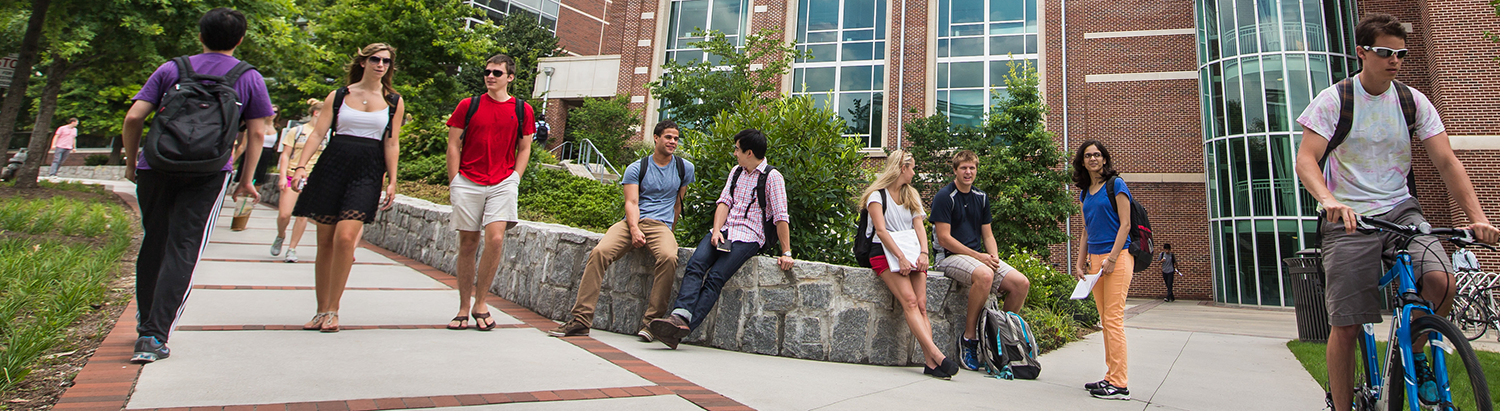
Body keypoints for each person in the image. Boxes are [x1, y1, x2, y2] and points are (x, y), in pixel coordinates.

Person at [1292, 14, 1498, 411]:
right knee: (1348, 321)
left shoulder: (1412, 101)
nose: (1395, 60)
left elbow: (1447, 162)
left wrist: (1479, 217)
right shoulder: (1336, 99)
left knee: (1441, 280)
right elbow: (1306, 160)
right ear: (1362, 52)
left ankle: (1417, 355)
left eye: (1400, 53)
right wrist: (1329, 200)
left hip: (1401, 209)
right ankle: (1342, 405)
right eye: (1386, 52)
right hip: (1347, 215)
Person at [120, 8, 273, 363]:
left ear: (199, 36)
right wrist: (245, 180)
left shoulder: (172, 69)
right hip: (208, 171)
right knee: (184, 246)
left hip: (155, 166)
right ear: (240, 39)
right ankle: (154, 336)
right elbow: (257, 132)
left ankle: (147, 320)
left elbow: (134, 117)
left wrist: (131, 162)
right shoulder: (248, 77)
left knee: (154, 241)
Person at [288, 43, 407, 333]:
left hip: (367, 170)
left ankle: (334, 309)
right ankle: (320, 310)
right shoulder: (339, 96)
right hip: (333, 166)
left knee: (345, 238)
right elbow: (318, 133)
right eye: (376, 60)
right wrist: (301, 166)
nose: (381, 65)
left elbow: (392, 142)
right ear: (364, 62)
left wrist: (392, 180)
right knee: (324, 243)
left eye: (386, 62)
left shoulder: (393, 101)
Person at [647, 128, 794, 349]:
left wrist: (786, 252)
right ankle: (679, 316)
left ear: (749, 152)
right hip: (724, 232)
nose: (735, 153)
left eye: (737, 149)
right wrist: (716, 230)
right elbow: (724, 202)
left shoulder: (773, 177)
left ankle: (682, 328)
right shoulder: (737, 172)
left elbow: (781, 217)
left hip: (749, 237)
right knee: (696, 264)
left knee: (715, 277)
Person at [549, 120, 695, 340]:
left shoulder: (685, 168)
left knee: (668, 257)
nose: (673, 142)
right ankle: (580, 320)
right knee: (599, 253)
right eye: (668, 137)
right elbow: (632, 203)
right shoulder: (637, 167)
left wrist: (669, 233)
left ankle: (650, 324)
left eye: (675, 138)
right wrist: (635, 229)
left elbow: (677, 204)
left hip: (660, 226)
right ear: (656, 138)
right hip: (631, 222)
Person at [442, 53, 535, 331]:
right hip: (468, 180)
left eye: (497, 72)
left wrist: (515, 178)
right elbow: (453, 145)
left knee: (495, 239)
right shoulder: (467, 106)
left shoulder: (522, 110)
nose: (490, 76)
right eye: (487, 72)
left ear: (510, 77)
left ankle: (481, 303)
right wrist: (454, 180)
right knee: (468, 243)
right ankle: (462, 306)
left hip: (502, 182)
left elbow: (525, 147)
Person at [929, 150, 1030, 372]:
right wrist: (979, 257)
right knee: (985, 275)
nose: (968, 172)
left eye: (972, 168)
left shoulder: (981, 197)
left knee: (1020, 283)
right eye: (963, 168)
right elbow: (944, 239)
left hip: (978, 258)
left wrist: (993, 256)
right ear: (955, 170)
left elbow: (988, 235)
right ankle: (969, 339)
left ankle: (1001, 338)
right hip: (949, 258)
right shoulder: (945, 196)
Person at [863, 150, 957, 379]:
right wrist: (900, 258)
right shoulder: (877, 196)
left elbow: (919, 227)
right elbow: (882, 231)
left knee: (922, 305)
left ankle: (930, 363)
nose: (914, 172)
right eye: (912, 167)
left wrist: (924, 253)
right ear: (902, 168)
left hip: (912, 252)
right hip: (884, 252)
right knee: (910, 300)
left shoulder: (911, 195)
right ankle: (937, 355)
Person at [1071, 140, 1133, 400]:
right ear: (1082, 162)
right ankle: (1110, 376)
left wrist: (1113, 257)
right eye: (1088, 155)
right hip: (1096, 261)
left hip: (1116, 258)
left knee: (1113, 319)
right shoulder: (1085, 192)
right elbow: (1086, 229)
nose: (1093, 159)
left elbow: (1126, 224)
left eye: (1097, 155)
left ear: (1105, 159)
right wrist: (1079, 260)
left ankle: (1120, 383)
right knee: (1104, 320)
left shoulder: (1115, 184)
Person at [272, 99, 328, 262]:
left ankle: (292, 248)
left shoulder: (326, 135)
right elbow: (285, 155)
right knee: (285, 214)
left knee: (302, 215)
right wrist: (282, 176)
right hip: (292, 174)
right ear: (316, 113)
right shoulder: (297, 131)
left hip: (312, 177)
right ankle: (281, 235)